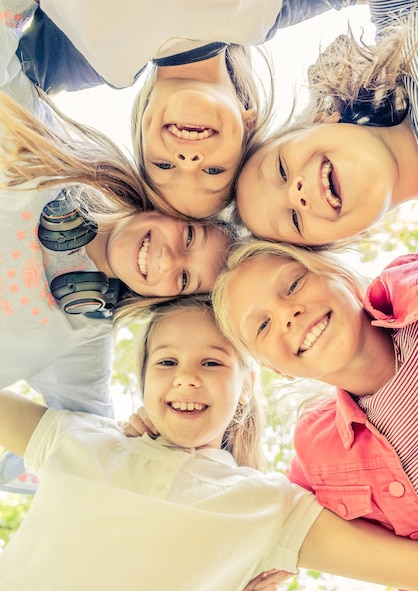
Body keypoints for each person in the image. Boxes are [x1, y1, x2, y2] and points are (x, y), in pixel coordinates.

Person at [2, 296, 418, 591]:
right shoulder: (78, 440)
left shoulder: (269, 507)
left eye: (212, 362)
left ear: (245, 385)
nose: (186, 377)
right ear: (142, 380)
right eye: (166, 362)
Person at [0, 0, 231, 491]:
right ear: (165, 204)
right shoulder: (50, 155)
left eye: (185, 278)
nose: (169, 256)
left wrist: (150, 440)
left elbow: (87, 451)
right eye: (188, 235)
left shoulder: (82, 337)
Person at [211, 239, 418, 591]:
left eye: (291, 286)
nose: (288, 315)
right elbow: (266, 518)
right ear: (275, 369)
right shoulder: (318, 451)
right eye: (262, 325)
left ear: (339, 275)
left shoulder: (410, 292)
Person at [16, 2, 361, 218]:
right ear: (248, 123)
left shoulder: (94, 60)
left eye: (163, 165)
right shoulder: (263, 14)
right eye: (214, 172)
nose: (188, 161)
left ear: (142, 129)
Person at [234, 0, 418, 247]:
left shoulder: (398, 18)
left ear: (319, 120)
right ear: (344, 239)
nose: (294, 194)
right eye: (295, 221)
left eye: (281, 170)